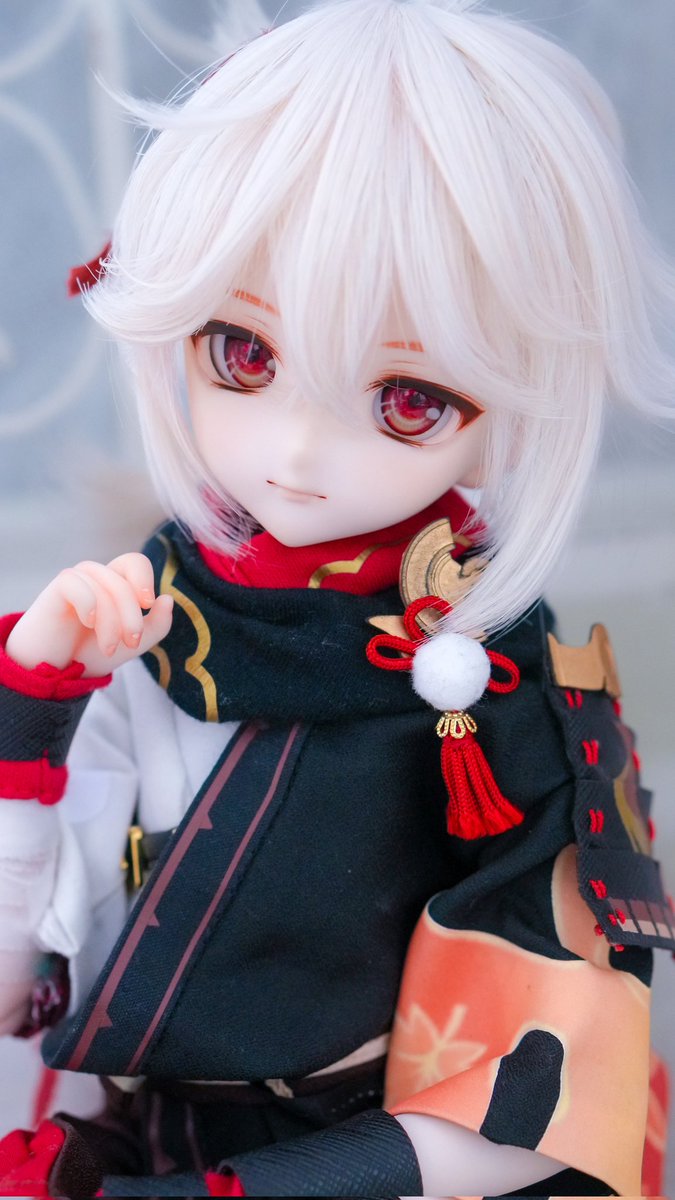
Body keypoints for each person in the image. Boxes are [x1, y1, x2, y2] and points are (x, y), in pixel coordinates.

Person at [0, 0, 673, 1194]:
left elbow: (551, 1087)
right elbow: (20, 993)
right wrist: (32, 714)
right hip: (150, 1142)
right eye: (244, 354)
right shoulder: (148, 618)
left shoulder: (500, 681)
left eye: (409, 398)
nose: (298, 454)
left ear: (510, 406)